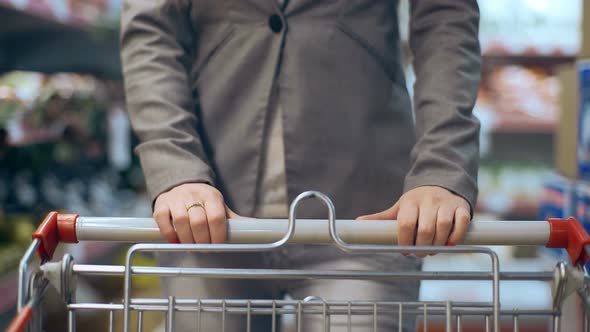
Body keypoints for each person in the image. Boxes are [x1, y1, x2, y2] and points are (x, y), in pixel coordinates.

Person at [120, 0, 480, 330]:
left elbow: (445, 16)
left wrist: (441, 165)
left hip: (364, 212)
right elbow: (153, 29)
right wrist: (176, 169)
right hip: (208, 210)